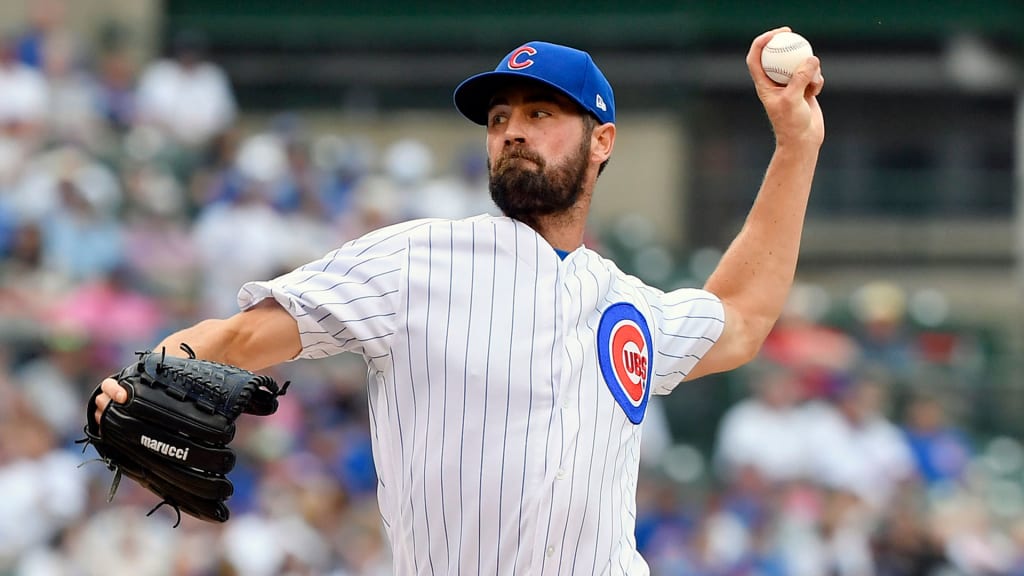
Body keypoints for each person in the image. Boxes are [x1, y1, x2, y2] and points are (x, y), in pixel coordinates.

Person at [92, 27, 824, 575]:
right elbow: (245, 337)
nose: (512, 131)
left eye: (541, 114)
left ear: (602, 140)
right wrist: (149, 370)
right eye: (500, 118)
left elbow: (743, 319)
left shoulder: (622, 303)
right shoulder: (416, 257)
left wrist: (796, 146)